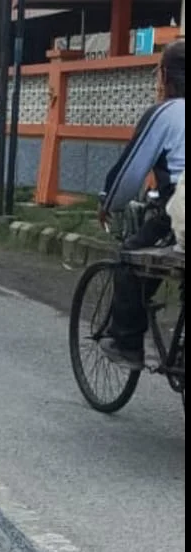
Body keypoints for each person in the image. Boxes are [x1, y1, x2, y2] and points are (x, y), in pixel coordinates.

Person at [98, 40, 185, 368]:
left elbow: (130, 171)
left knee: (131, 261)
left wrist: (109, 203)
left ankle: (127, 342)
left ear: (166, 76)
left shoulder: (167, 112)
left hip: (179, 209)